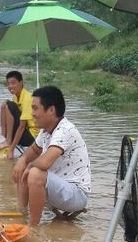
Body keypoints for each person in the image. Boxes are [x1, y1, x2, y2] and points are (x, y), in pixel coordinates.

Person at [11, 85, 91, 226]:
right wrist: (22, 160)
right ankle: (21, 216)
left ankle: (32, 227)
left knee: (35, 172)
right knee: (24, 168)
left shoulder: (65, 130)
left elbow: (45, 162)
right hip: (60, 189)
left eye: (35, 108)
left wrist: (29, 165)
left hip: (76, 194)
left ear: (51, 110)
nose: (32, 114)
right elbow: (34, 150)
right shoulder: (46, 130)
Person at [0, 70, 39, 159]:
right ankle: (2, 139)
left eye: (13, 83)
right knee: (4, 104)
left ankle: (8, 141)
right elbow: (10, 119)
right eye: (8, 84)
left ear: (21, 83)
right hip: (23, 132)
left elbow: (22, 126)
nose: (10, 86)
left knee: (8, 104)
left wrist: (11, 148)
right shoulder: (15, 97)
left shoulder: (28, 97)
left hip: (31, 137)